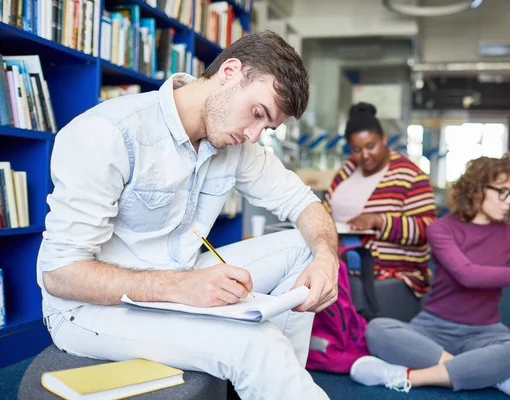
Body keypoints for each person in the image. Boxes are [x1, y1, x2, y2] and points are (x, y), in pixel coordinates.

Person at [37, 31, 339, 400]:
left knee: (305, 249)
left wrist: (327, 257)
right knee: (254, 342)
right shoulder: (109, 132)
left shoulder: (235, 145)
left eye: (267, 127)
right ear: (230, 71)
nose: (254, 135)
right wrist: (183, 288)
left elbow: (303, 204)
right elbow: (60, 274)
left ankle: (274, 385)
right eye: (257, 114)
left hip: (178, 280)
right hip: (89, 310)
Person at [349, 155, 510, 398]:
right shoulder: (441, 228)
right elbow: (467, 274)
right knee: (377, 329)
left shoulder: (509, 234)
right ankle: (489, 377)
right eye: (502, 192)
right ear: (476, 190)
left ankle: (410, 377)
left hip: (485, 333)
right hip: (432, 329)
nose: (509, 201)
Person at [322, 102, 436, 321]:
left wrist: (379, 221)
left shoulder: (410, 176)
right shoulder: (346, 171)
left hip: (388, 278)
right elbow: (326, 209)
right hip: (342, 271)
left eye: (371, 145)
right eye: (357, 150)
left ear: (384, 139)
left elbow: (428, 229)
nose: (365, 155)